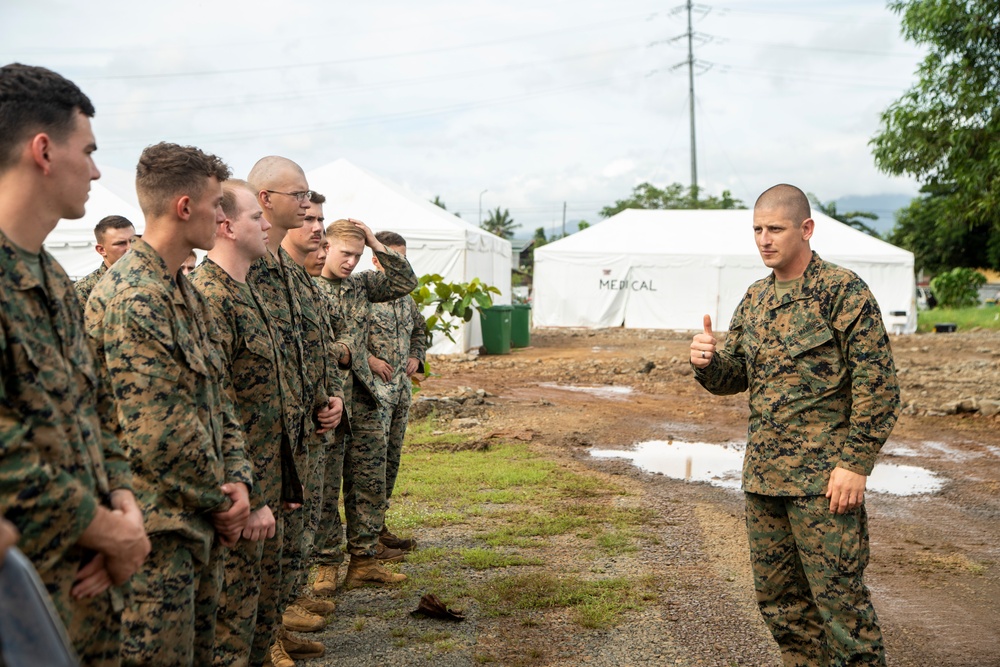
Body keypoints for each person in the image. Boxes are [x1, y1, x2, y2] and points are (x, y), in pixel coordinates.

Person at [690, 183, 899, 667]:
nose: (764, 240)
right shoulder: (756, 298)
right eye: (757, 230)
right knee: (782, 609)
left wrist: (854, 464)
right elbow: (734, 376)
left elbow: (879, 386)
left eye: (775, 229)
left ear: (805, 229)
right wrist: (706, 362)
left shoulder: (842, 292)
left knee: (842, 611)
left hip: (824, 484)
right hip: (765, 481)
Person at [0, 62, 150, 666]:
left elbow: (96, 407)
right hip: (23, 600)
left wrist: (122, 498)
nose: (94, 169)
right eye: (87, 151)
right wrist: (105, 528)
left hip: (87, 592)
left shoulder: (53, 281)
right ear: (43, 150)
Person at [86, 142, 254, 666]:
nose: (222, 216)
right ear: (185, 208)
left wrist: (240, 478)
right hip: (157, 534)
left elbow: (218, 398)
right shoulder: (134, 297)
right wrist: (223, 501)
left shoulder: (185, 291)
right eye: (216, 205)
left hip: (197, 524)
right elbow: (155, 433)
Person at [246, 157, 342, 667]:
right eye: (299, 196)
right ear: (265, 199)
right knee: (266, 554)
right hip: (266, 436)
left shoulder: (291, 273)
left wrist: (332, 396)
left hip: (302, 430)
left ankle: (279, 625)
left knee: (289, 544)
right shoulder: (249, 267)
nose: (308, 205)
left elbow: (311, 348)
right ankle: (266, 643)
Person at [188, 179, 287, 666]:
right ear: (226, 226)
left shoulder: (248, 291)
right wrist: (250, 498)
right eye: (255, 218)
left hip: (267, 487)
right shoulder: (210, 296)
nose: (267, 224)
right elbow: (218, 407)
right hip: (243, 499)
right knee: (231, 629)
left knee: (259, 624)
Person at [312, 219, 417, 593]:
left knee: (369, 482)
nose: (351, 262)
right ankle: (326, 564)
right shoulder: (309, 288)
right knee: (325, 488)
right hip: (328, 402)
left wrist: (375, 242)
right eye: (346, 253)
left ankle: (364, 559)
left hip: (365, 399)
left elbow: (405, 283)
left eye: (358, 255)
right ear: (325, 247)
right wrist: (346, 351)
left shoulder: (359, 286)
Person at [366, 231, 426, 550]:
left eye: (402, 258)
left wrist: (417, 355)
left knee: (391, 460)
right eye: (392, 258)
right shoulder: (364, 294)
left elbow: (420, 328)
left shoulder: (406, 298)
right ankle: (366, 534)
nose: (398, 264)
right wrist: (369, 359)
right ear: (375, 259)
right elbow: (338, 334)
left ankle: (380, 527)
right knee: (370, 464)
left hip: (400, 392)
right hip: (372, 395)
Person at [75, 214, 135, 303]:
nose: (130, 248)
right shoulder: (84, 291)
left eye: (133, 241)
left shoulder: (152, 278)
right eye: (120, 243)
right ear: (102, 250)